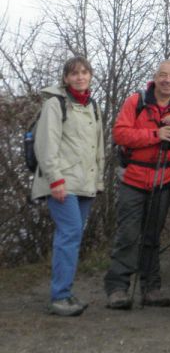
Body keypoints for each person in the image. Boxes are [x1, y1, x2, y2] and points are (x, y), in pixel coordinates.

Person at [105, 61, 170, 309]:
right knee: (127, 235)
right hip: (134, 178)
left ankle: (151, 289)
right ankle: (117, 288)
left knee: (152, 237)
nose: (168, 80)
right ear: (155, 77)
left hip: (164, 180)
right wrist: (154, 135)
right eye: (163, 75)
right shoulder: (136, 101)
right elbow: (120, 133)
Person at [31, 56, 104, 316]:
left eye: (84, 72)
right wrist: (55, 180)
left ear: (90, 76)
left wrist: (98, 181)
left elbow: (98, 147)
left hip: (85, 184)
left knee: (72, 237)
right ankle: (59, 296)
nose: (80, 77)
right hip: (62, 183)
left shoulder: (92, 106)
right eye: (74, 73)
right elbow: (46, 144)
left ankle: (65, 292)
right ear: (65, 78)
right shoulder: (55, 104)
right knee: (70, 234)